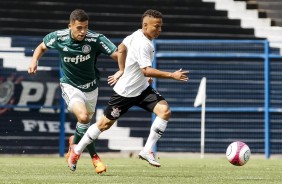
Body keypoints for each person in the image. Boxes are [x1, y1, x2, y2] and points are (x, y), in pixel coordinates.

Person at [67, 9, 188, 171]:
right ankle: (77, 150)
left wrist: (122, 69)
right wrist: (172, 75)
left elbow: (121, 48)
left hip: (142, 90)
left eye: (160, 26)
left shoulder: (137, 34)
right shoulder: (143, 43)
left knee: (165, 111)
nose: (159, 30)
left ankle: (147, 150)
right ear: (145, 25)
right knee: (103, 125)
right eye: (156, 26)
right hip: (125, 93)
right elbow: (146, 70)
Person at [28, 9, 124, 174]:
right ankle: (93, 157)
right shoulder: (59, 37)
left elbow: (117, 54)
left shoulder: (96, 39)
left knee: (86, 125)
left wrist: (128, 69)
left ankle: (75, 143)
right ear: (70, 26)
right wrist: (34, 60)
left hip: (91, 88)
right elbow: (41, 47)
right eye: (79, 28)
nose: (83, 31)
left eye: (85, 27)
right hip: (70, 86)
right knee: (84, 118)